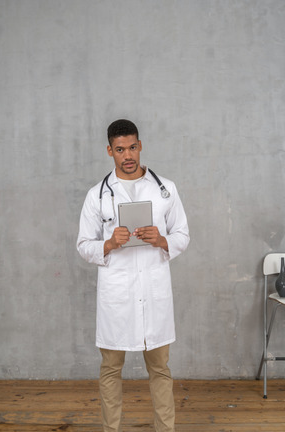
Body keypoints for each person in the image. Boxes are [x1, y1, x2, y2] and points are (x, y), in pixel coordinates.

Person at [77, 119, 189, 432]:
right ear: (109, 151)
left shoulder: (164, 189)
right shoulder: (96, 196)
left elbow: (183, 233)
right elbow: (84, 245)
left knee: (161, 369)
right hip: (118, 296)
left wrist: (162, 240)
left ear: (140, 146)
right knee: (111, 369)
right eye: (120, 149)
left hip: (154, 293)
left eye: (132, 147)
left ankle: (165, 429)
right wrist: (110, 244)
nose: (128, 155)